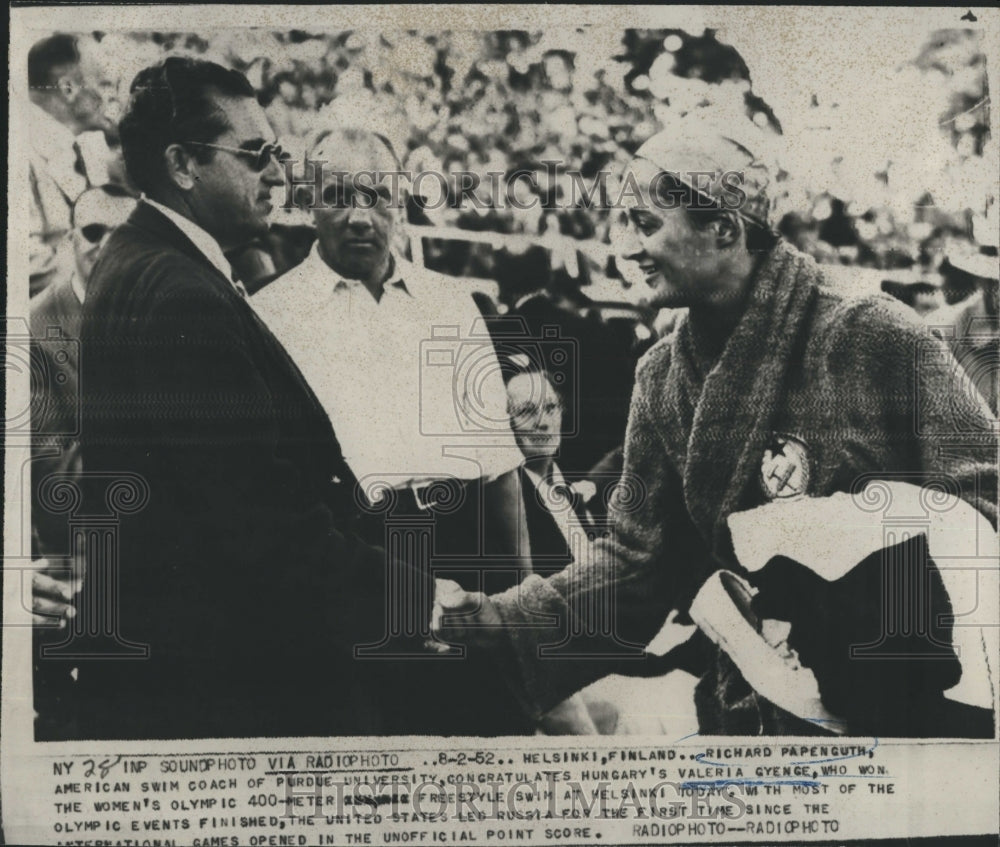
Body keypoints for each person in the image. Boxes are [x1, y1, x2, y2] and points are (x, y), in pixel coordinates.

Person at [442, 125, 998, 737]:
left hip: (904, 710)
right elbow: (635, 564)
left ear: (725, 230)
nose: (626, 247)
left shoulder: (872, 333)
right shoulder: (660, 376)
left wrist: (837, 562)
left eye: (646, 223)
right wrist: (501, 623)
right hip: (753, 711)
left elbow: (981, 504)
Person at [47, 57, 527, 739]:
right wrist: (417, 598)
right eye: (256, 153)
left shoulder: (142, 264)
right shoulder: (181, 292)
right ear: (183, 163)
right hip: (218, 680)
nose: (276, 173)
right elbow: (259, 522)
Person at [253, 127, 531, 596]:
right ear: (307, 203)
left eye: (378, 194)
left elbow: (499, 463)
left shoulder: (451, 302)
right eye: (339, 195)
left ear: (400, 202)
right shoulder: (271, 316)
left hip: (466, 544)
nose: (360, 217)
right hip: (357, 553)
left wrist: (526, 588)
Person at [28, 34, 115, 295]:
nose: (113, 97)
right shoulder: (18, 153)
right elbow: (26, 266)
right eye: (105, 83)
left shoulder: (87, 145)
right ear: (68, 88)